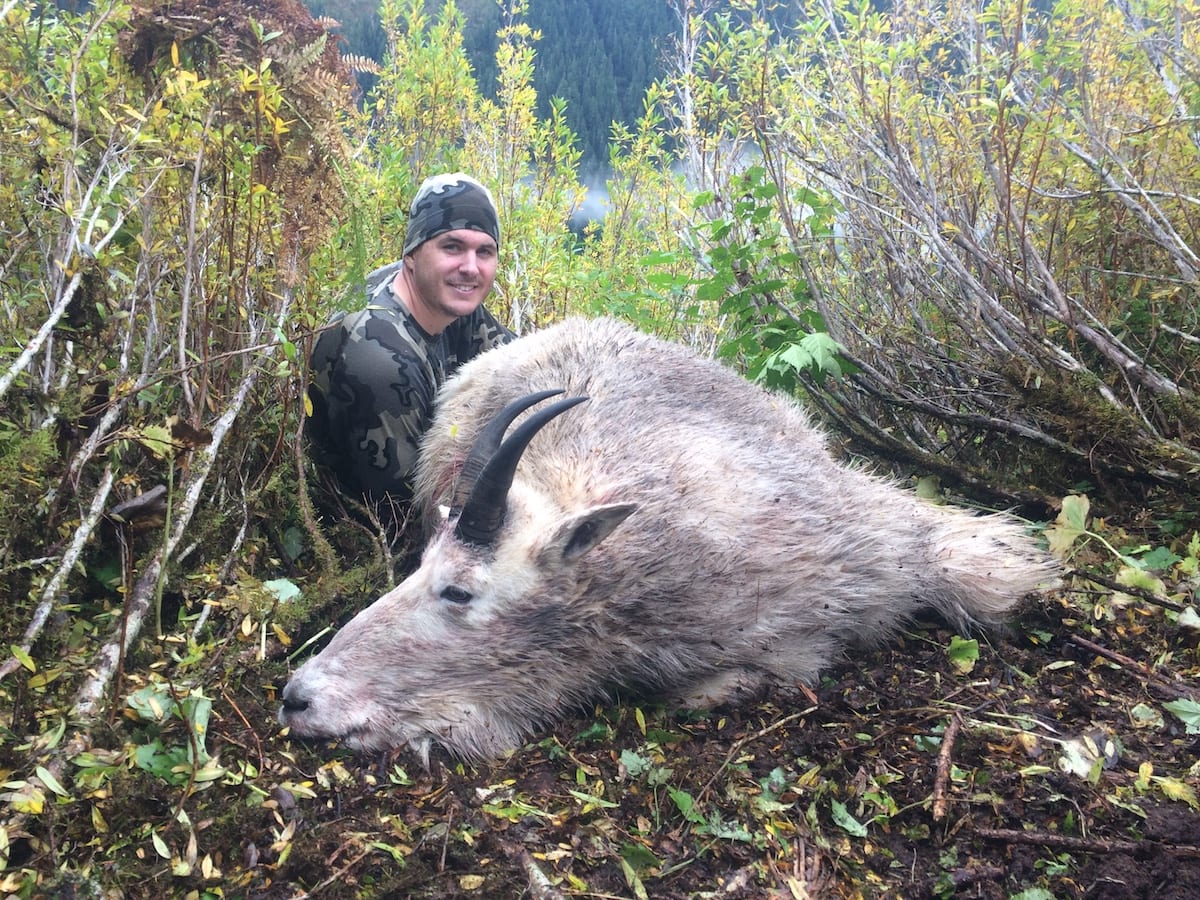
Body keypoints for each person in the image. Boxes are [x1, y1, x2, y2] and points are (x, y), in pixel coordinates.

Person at [305, 173, 514, 529]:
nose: (470, 267)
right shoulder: (379, 363)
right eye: (451, 246)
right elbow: (408, 522)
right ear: (412, 254)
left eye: (485, 252)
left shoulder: (449, 293)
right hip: (362, 529)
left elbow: (521, 365)